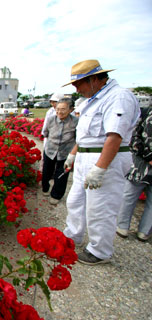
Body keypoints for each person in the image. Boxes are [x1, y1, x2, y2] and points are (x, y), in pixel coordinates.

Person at [62, 59, 140, 265]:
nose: (76, 89)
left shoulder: (118, 97)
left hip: (105, 159)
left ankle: (99, 250)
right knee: (76, 200)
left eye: (79, 84)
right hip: (85, 157)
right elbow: (87, 136)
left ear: (94, 79)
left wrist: (100, 168)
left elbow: (114, 136)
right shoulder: (92, 100)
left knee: (100, 207)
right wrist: (73, 154)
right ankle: (73, 235)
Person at [116, 106, 152, 242]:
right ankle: (122, 226)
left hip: (144, 161)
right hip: (142, 163)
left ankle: (144, 231)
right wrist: (149, 157)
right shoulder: (146, 112)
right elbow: (135, 138)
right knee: (130, 195)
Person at [41, 98, 78, 205]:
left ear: (71, 109)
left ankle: (56, 195)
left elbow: (77, 138)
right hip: (50, 149)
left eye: (63, 109)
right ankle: (45, 187)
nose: (59, 112)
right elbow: (45, 132)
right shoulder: (51, 119)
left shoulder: (75, 121)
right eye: (57, 109)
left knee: (61, 174)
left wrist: (73, 154)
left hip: (66, 152)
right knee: (47, 171)